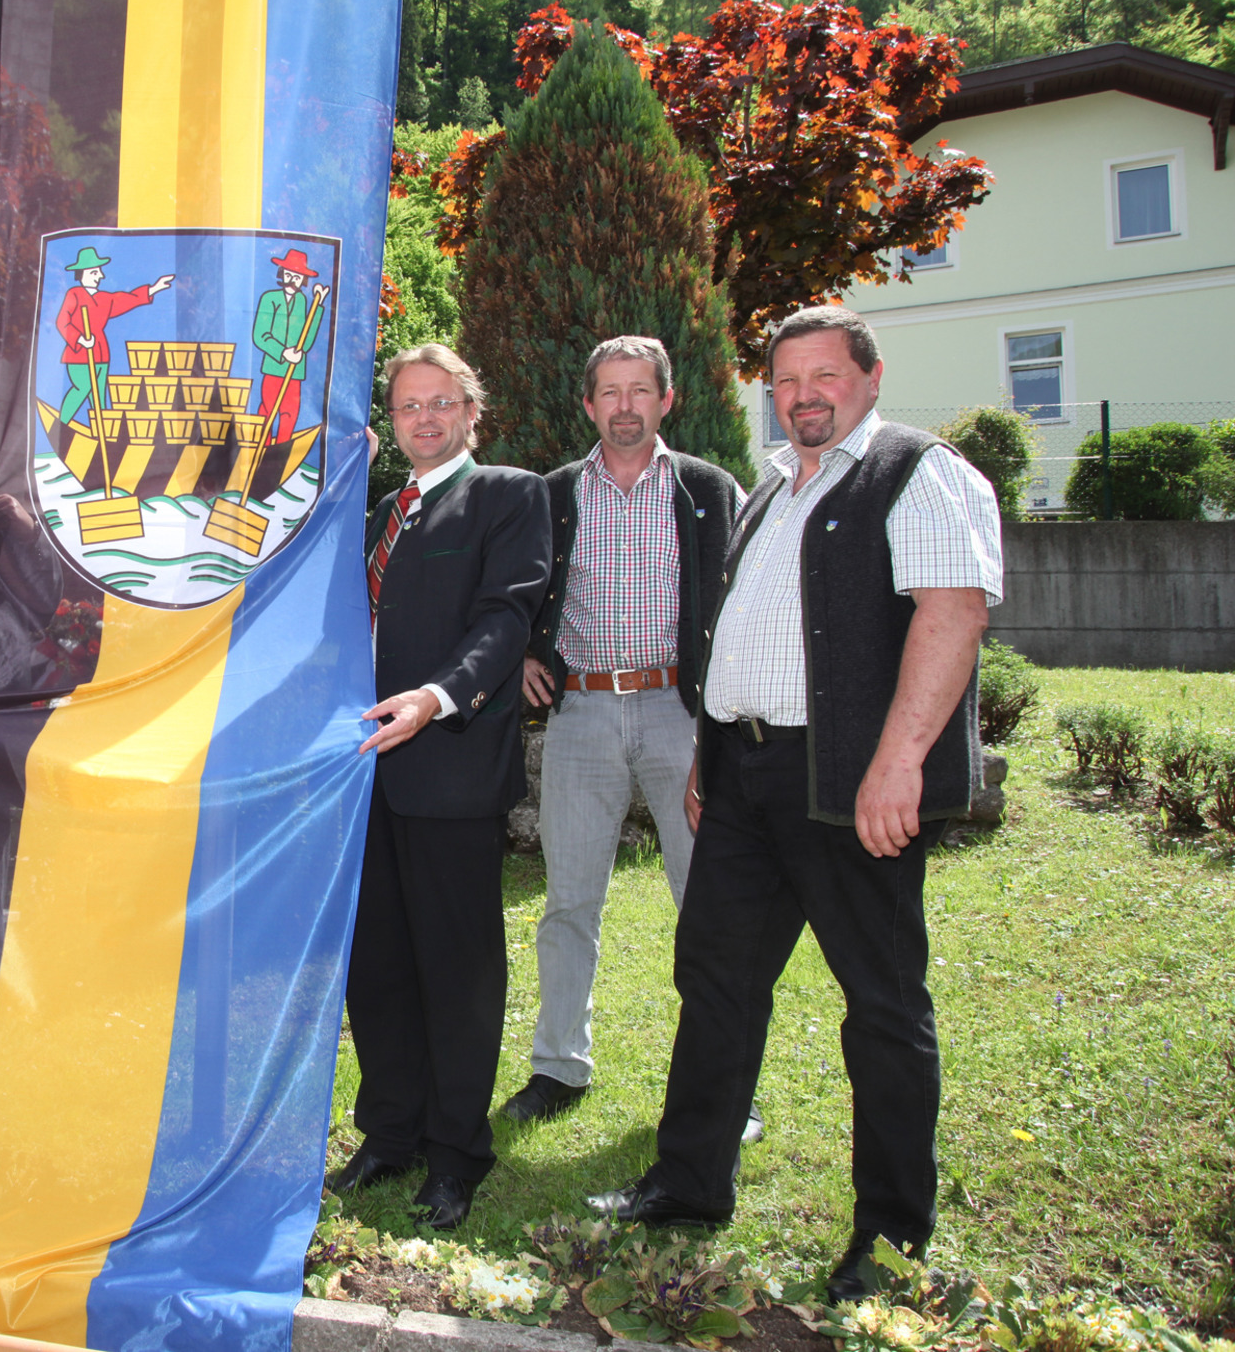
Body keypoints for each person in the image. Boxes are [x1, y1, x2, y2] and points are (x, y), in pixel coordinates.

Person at [587, 306, 1002, 1303]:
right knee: (715, 977)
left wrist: (898, 764)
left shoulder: (917, 470)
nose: (803, 395)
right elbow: (743, 630)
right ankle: (691, 1182)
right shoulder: (773, 487)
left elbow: (951, 614)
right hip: (743, 775)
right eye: (785, 380)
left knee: (881, 1003)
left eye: (825, 375)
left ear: (869, 377)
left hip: (849, 780)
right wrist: (712, 749)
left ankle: (889, 1238)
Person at [330, 343, 552, 1230]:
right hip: (364, 776)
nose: (423, 418)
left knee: (458, 973)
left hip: (450, 766)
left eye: (440, 402)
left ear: (470, 410)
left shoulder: (509, 495)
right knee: (377, 963)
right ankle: (391, 1132)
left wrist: (437, 696)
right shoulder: (381, 514)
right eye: (408, 406)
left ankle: (457, 1154)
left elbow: (505, 620)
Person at [499, 337, 746, 1133]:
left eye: (640, 390)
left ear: (666, 399)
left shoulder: (708, 488)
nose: (625, 406)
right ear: (589, 404)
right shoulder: (554, 494)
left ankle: (723, 1086)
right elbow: (512, 590)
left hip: (682, 712)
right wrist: (524, 653)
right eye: (609, 391)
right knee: (569, 901)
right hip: (583, 713)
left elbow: (743, 598)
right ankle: (558, 1066)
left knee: (706, 900)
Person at [54, 247, 175, 427]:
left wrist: (154, 288)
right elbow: (62, 321)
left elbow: (128, 299)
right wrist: (80, 339)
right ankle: (60, 426)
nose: (100, 276)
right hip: (79, 356)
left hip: (101, 355)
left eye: (99, 272)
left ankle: (101, 434)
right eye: (95, 272)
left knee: (99, 397)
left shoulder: (104, 298)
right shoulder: (74, 294)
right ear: (82, 274)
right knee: (83, 388)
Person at [251, 249, 329, 449]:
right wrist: (282, 352)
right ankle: (260, 449)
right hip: (273, 368)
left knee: (289, 414)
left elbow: (307, 336)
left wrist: (319, 304)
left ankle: (280, 452)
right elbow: (260, 335)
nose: (292, 280)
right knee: (267, 410)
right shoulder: (270, 298)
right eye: (288, 274)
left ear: (303, 280)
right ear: (282, 274)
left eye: (297, 277)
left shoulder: (302, 301)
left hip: (295, 371)